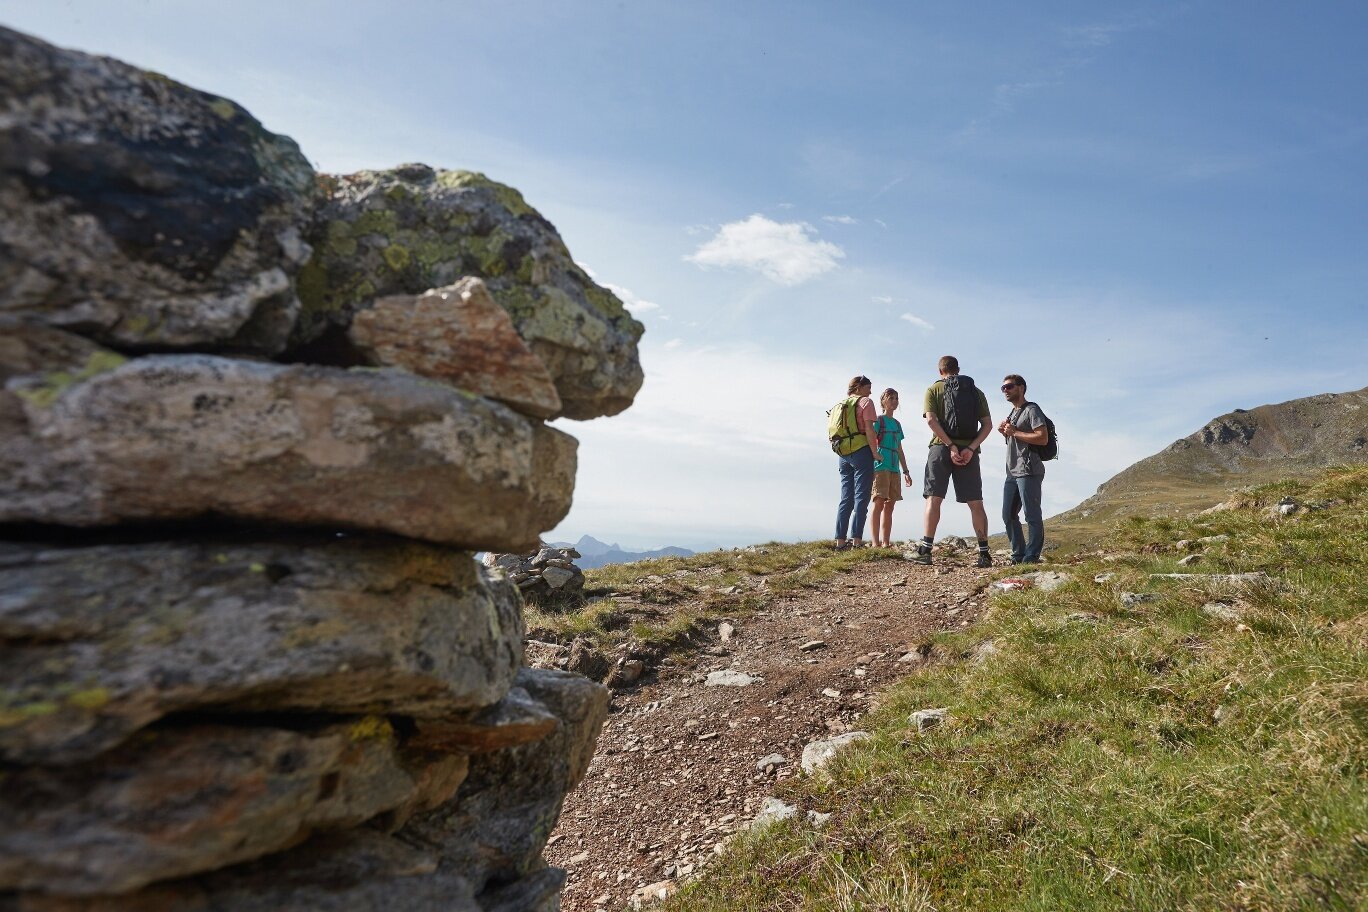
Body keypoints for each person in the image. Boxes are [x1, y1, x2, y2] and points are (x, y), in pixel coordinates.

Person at [912, 355, 993, 568]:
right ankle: (984, 554)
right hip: (969, 452)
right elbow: (987, 425)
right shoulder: (976, 392)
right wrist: (970, 448)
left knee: (934, 499)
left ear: (940, 371)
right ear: (958, 369)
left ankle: (926, 551)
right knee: (976, 503)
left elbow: (931, 420)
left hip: (940, 449)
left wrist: (950, 445)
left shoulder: (933, 389)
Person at [998, 373, 1048, 563]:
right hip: (1012, 471)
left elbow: (1042, 438)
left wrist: (1014, 432)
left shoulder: (1032, 409)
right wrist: (1005, 433)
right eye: (1003, 388)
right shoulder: (1013, 413)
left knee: (1031, 514)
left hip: (1029, 469)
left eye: (1009, 386)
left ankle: (1031, 556)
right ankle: (1018, 554)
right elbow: (1015, 439)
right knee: (1008, 514)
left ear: (1021, 388)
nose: (1005, 390)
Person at [833, 375, 878, 549]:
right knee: (862, 497)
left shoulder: (840, 404)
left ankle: (840, 542)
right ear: (858, 387)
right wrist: (875, 453)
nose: (870, 392)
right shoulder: (866, 402)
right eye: (868, 388)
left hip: (843, 454)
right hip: (861, 451)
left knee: (846, 498)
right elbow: (869, 429)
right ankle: (856, 540)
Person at [869, 388, 913, 548]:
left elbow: (900, 449)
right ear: (883, 401)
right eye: (891, 398)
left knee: (890, 506)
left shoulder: (897, 424)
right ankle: (875, 542)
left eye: (896, 398)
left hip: (895, 468)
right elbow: (871, 442)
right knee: (879, 502)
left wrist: (906, 471)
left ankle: (886, 542)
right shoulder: (878, 421)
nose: (894, 401)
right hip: (880, 466)